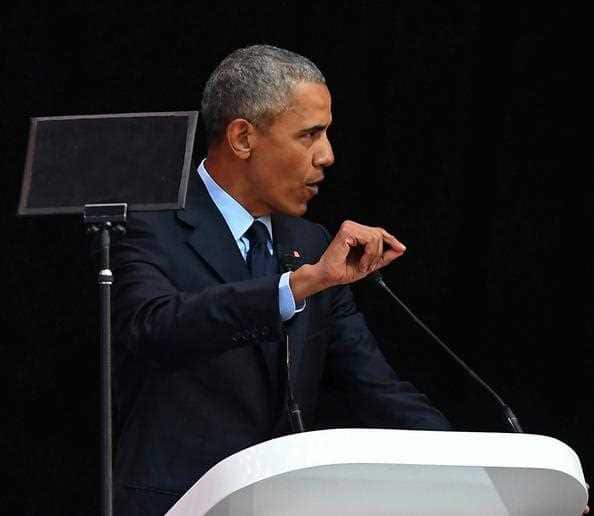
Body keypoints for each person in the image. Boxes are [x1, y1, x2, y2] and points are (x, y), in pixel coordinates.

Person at [110, 44, 450, 515]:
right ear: (242, 138)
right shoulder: (148, 221)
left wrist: (481, 469)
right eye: (310, 135)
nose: (327, 156)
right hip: (177, 503)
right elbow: (156, 327)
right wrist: (292, 288)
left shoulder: (309, 242)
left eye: (326, 133)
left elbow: (375, 388)